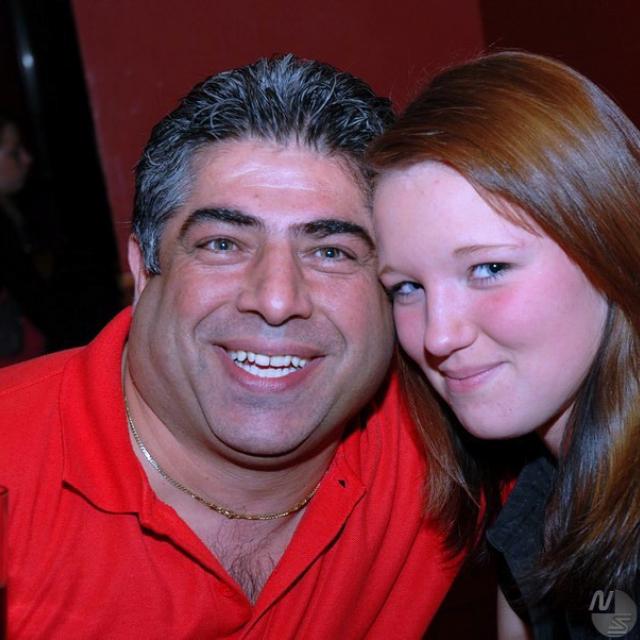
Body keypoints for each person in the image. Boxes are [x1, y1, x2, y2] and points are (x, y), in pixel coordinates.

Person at [0, 55, 460, 638]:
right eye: (223, 244)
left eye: (331, 252)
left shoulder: (451, 445)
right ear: (144, 271)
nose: (276, 299)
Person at [370, 51, 640, 639]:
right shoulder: (535, 500)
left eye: (489, 269)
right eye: (407, 287)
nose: (438, 335)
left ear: (608, 242)